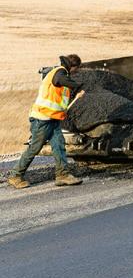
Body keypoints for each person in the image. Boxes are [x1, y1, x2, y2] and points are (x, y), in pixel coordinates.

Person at [7, 54, 85, 189]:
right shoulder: (59, 73)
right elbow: (60, 80)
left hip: (52, 119)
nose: (76, 72)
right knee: (34, 148)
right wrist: (77, 86)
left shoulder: (62, 75)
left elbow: (58, 100)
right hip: (42, 118)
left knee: (59, 145)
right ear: (72, 67)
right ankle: (15, 175)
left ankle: (63, 175)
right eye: (76, 69)